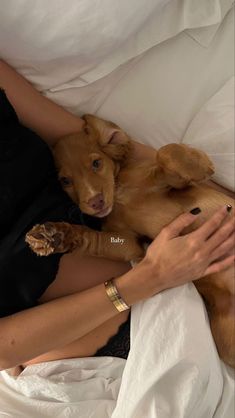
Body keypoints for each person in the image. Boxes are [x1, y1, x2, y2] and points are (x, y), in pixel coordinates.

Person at [0, 59, 234, 373]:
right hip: (111, 335)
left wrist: (217, 198)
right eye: (67, 181)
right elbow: (127, 245)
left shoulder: (117, 177)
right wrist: (150, 277)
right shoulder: (113, 231)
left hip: (165, 272)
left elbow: (84, 141)